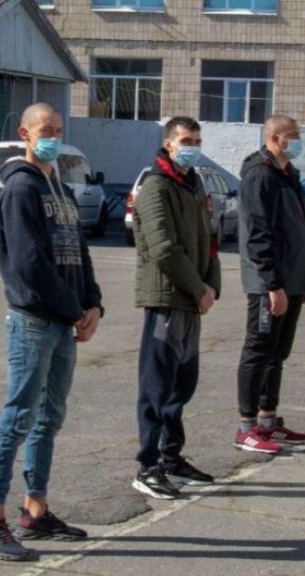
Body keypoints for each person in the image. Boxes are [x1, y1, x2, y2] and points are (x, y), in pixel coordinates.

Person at [0, 102, 104, 561]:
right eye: (44, 130)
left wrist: (93, 304)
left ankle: (37, 507)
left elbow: (80, 253)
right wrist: (73, 311)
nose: (52, 136)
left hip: (66, 320)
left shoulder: (61, 189)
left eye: (58, 129)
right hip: (34, 321)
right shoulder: (20, 189)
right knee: (18, 418)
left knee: (50, 419)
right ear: (24, 134)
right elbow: (30, 264)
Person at [132, 116, 221, 500]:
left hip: (193, 298)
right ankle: (147, 465)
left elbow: (210, 239)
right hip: (168, 297)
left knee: (181, 385)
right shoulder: (155, 185)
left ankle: (172, 457)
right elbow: (164, 247)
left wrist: (212, 286)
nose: (192, 145)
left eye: (197, 139)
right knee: (156, 387)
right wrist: (197, 287)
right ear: (169, 143)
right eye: (186, 139)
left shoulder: (193, 183)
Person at [234, 115, 305, 454]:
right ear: (276, 138)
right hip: (269, 283)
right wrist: (272, 283)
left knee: (277, 353)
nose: (298, 142)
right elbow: (258, 233)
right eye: (294, 136)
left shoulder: (287, 174)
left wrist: (302, 279)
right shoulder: (259, 174)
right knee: (259, 350)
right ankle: (246, 426)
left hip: (291, 279)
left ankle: (268, 420)